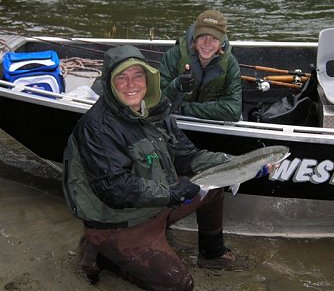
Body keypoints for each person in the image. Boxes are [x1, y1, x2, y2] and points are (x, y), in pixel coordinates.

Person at [63, 45, 272, 291]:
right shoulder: (97, 128)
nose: (131, 84)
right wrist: (173, 193)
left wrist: (238, 164)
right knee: (180, 284)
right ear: (109, 83)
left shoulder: (155, 110)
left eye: (137, 75)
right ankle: (106, 257)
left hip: (159, 205)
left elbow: (188, 157)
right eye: (122, 77)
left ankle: (212, 255)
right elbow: (115, 189)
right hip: (118, 224)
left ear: (148, 79)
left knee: (214, 186)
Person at [159, 9, 242, 122]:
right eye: (203, 37)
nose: (207, 44)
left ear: (221, 42)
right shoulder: (173, 56)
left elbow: (233, 110)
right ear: (195, 38)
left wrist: (184, 108)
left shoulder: (231, 63)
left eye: (214, 38)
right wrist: (177, 85)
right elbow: (157, 103)